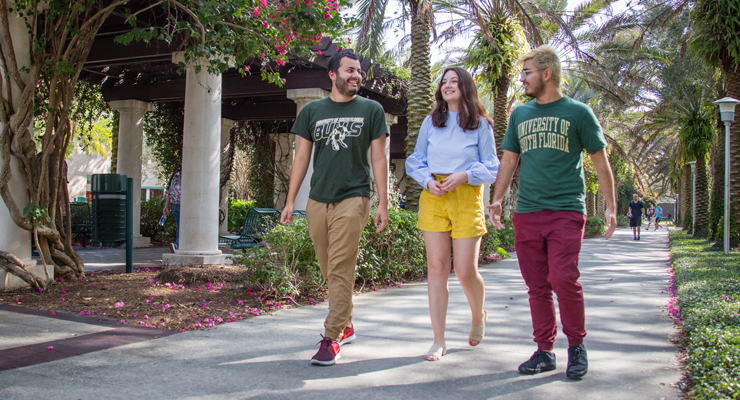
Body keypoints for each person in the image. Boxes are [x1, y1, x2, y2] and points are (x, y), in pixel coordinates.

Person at [486, 45, 616, 380]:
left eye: (527, 72)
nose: (522, 78)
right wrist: (497, 199)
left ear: (547, 73)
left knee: (563, 278)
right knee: (537, 286)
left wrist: (612, 209)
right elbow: (510, 160)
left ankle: (576, 347)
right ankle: (544, 351)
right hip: (528, 212)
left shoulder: (579, 113)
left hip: (566, 210)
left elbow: (601, 163)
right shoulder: (520, 115)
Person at [279, 50, 389, 366]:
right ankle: (347, 321)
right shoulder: (313, 111)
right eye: (350, 70)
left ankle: (331, 338)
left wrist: (381, 200)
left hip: (354, 197)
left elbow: (379, 157)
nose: (357, 76)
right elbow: (301, 158)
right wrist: (290, 200)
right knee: (329, 268)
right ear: (332, 74)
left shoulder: (372, 109)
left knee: (341, 267)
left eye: (359, 72)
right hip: (317, 200)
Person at [406, 67, 500, 361]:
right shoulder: (431, 122)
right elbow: (415, 159)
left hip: (466, 196)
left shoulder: (480, 124)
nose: (447, 86)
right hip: (434, 196)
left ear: (465, 87)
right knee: (436, 267)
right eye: (444, 82)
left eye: (454, 81)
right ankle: (438, 340)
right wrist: (427, 180)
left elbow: (492, 166)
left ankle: (477, 315)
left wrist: (465, 175)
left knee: (464, 270)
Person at [162, 169, 182, 253]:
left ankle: (177, 245)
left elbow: (170, 191)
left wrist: (166, 206)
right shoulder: (190, 174)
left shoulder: (175, 174)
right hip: (184, 205)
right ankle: (176, 244)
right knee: (185, 226)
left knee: (179, 226)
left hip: (174, 204)